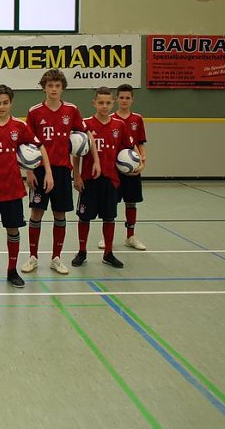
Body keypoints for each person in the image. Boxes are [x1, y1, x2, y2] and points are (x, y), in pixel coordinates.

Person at [0, 85, 52, 288]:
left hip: (13, 189)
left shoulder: (19, 126)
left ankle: (12, 271)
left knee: (13, 229)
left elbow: (40, 146)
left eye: (5, 103)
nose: (1, 106)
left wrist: (48, 172)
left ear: (11, 103)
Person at [21, 69, 99, 277]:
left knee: (60, 214)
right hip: (39, 170)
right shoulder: (34, 112)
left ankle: (56, 258)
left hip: (63, 170)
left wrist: (96, 160)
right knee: (36, 213)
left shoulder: (71, 110)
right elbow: (27, 143)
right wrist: (29, 171)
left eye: (57, 86)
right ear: (44, 88)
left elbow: (87, 134)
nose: (54, 89)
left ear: (62, 88)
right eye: (50, 86)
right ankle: (33, 256)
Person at [72, 87, 135, 269]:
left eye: (108, 103)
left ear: (113, 103)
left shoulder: (119, 126)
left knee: (109, 218)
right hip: (89, 180)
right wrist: (76, 175)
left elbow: (128, 149)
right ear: (94, 103)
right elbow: (76, 153)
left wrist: (136, 163)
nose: (104, 106)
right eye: (101, 102)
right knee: (84, 217)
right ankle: (82, 252)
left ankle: (108, 253)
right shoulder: (85, 125)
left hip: (111, 180)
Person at [97, 84, 148, 251]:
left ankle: (130, 236)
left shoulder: (137, 119)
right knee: (110, 203)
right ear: (116, 99)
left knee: (131, 202)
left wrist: (142, 162)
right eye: (121, 97)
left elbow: (140, 143)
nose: (124, 101)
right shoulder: (110, 118)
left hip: (132, 168)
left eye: (128, 98)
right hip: (114, 170)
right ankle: (106, 237)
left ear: (132, 100)